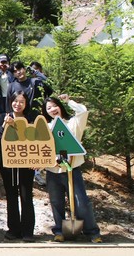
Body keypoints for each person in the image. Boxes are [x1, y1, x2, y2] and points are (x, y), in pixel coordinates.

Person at [43, 95, 102, 243]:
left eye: (55, 106)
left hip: (72, 169)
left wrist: (68, 101)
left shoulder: (73, 123)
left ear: (60, 106)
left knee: (81, 201)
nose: (52, 109)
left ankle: (92, 232)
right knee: (56, 202)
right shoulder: (47, 127)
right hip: (53, 171)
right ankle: (59, 231)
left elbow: (82, 111)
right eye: (48, 108)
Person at [0, 91, 36, 242]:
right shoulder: (3, 117)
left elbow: (35, 141)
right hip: (9, 164)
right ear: (10, 101)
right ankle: (13, 229)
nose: (18, 104)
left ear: (26, 104)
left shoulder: (31, 118)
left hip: (27, 164)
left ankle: (28, 231)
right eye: (15, 101)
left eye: (21, 102)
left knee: (26, 196)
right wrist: (5, 125)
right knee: (11, 196)